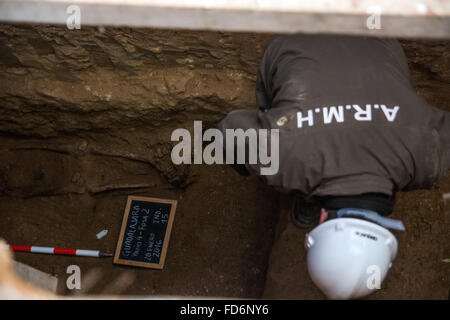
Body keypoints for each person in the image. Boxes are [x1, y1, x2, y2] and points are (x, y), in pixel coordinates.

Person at [217, 34, 449, 299]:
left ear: (385, 230)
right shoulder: (279, 158)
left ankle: (315, 188)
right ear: (323, 218)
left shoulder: (430, 155)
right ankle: (312, 190)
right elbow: (227, 133)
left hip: (375, 35)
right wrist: (254, 162)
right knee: (290, 148)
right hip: (295, 34)